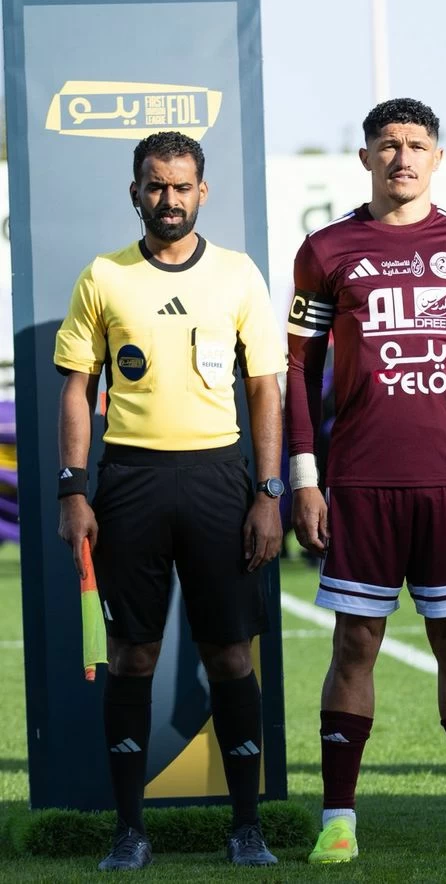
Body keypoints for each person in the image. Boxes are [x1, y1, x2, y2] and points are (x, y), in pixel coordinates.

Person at [286, 98, 446, 861]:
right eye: (388, 144)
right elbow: (298, 370)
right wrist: (305, 476)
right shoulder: (326, 250)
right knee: (355, 643)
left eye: (417, 144)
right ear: (365, 156)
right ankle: (338, 821)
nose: (403, 156)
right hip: (361, 483)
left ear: (437, 157)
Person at [55, 131, 284, 870]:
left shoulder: (238, 274)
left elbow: (264, 390)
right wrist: (73, 489)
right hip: (130, 481)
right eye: (156, 185)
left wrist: (269, 492)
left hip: (220, 479)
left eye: (182, 186)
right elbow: (78, 389)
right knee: (132, 654)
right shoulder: (104, 275)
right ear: (136, 192)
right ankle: (130, 831)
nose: (169, 199)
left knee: (230, 653)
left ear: (202, 192)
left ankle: (246, 828)